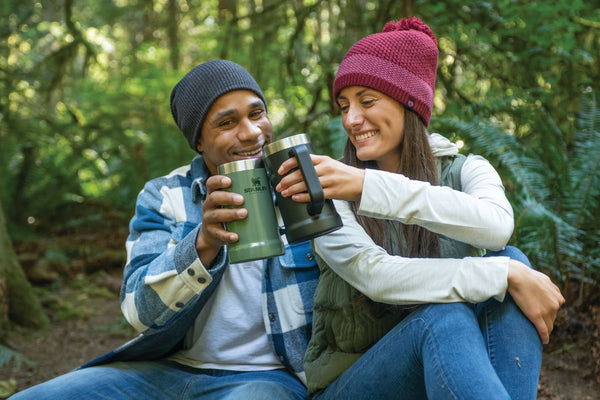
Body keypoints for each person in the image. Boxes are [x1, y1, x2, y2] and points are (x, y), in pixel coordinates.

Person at [275, 17, 565, 399]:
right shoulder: (329, 190)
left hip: (448, 376)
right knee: (448, 313)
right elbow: (377, 276)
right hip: (355, 384)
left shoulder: (468, 170)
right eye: (344, 105)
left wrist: (370, 185)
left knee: (511, 258)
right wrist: (503, 273)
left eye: (367, 101)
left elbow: (497, 228)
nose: (351, 119)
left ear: (409, 103)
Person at [10, 60, 318, 400]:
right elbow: (139, 313)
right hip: (168, 370)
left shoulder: (304, 184)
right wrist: (202, 243)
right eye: (227, 122)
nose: (251, 132)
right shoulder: (165, 195)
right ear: (199, 141)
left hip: (268, 378)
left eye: (257, 113)